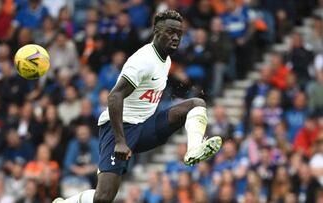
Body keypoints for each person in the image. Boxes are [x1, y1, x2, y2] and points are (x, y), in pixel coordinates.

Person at [53, 10, 222, 203]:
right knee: (103, 198)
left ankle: (193, 149)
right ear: (156, 32)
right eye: (169, 32)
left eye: (179, 33)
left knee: (196, 104)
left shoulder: (165, 60)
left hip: (143, 125)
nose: (175, 37)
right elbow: (114, 96)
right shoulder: (143, 61)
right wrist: (120, 141)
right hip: (118, 129)